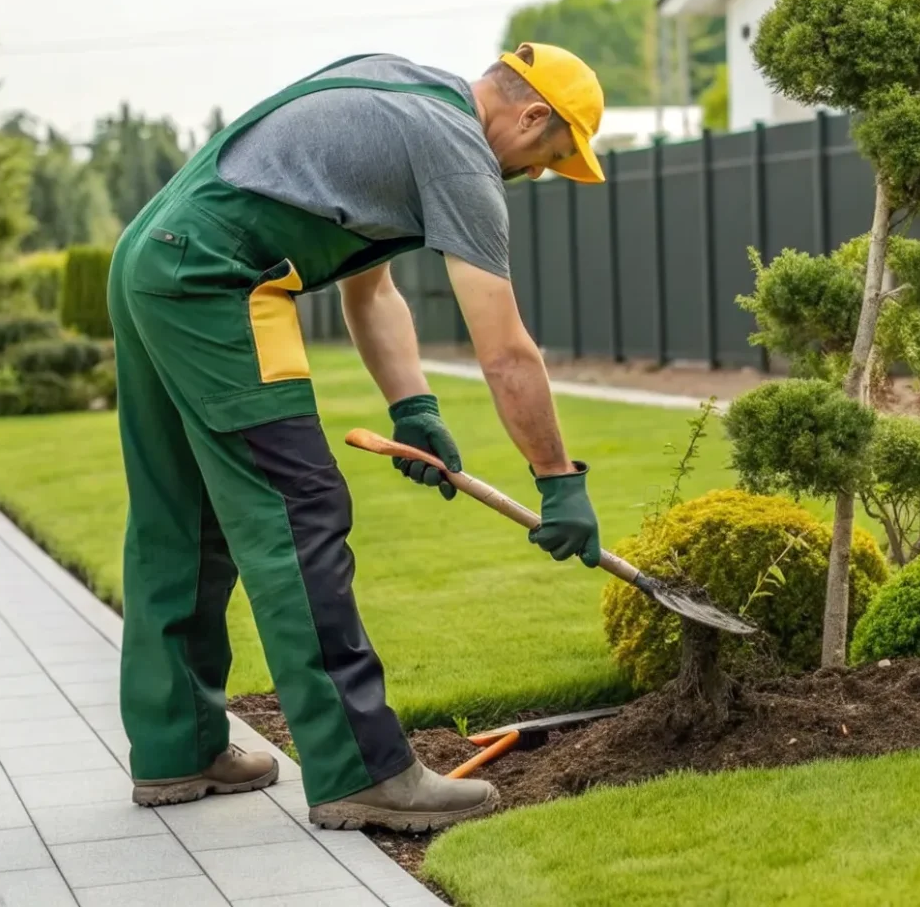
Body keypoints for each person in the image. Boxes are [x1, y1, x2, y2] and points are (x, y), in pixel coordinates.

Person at [106, 43, 607, 832]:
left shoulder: (406, 95)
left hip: (150, 262)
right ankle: (363, 771)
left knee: (186, 514)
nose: (541, 173)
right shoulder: (459, 155)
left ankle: (179, 745)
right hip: (212, 280)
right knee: (298, 510)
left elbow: (369, 290)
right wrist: (557, 477)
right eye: (550, 155)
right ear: (531, 114)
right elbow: (506, 347)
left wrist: (414, 408)